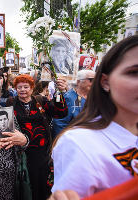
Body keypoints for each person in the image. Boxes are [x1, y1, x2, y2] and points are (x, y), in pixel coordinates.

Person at [51, 35, 138, 198]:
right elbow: (60, 122)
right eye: (133, 72)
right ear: (105, 82)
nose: (93, 82)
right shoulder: (78, 142)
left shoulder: (91, 100)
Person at [6, 74, 68, 200]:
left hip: (41, 153)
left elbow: (60, 112)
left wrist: (59, 94)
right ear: (15, 89)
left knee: (41, 183)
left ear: (32, 88)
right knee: (25, 183)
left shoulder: (40, 101)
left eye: (26, 87)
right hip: (21, 152)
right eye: (19, 87)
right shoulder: (11, 103)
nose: (22, 90)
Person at [52, 70, 95, 136]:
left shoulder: (93, 98)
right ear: (79, 82)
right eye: (91, 80)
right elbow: (60, 124)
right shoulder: (68, 98)